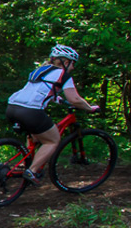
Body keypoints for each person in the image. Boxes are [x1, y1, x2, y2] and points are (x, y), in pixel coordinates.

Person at [6, 45, 99, 186]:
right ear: (66, 62)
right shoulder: (64, 75)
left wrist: (59, 100)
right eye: (73, 64)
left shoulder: (40, 71)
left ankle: (28, 166)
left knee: (36, 136)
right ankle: (32, 171)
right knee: (53, 140)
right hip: (31, 111)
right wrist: (89, 108)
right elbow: (75, 99)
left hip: (12, 107)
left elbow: (42, 91)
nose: (73, 68)